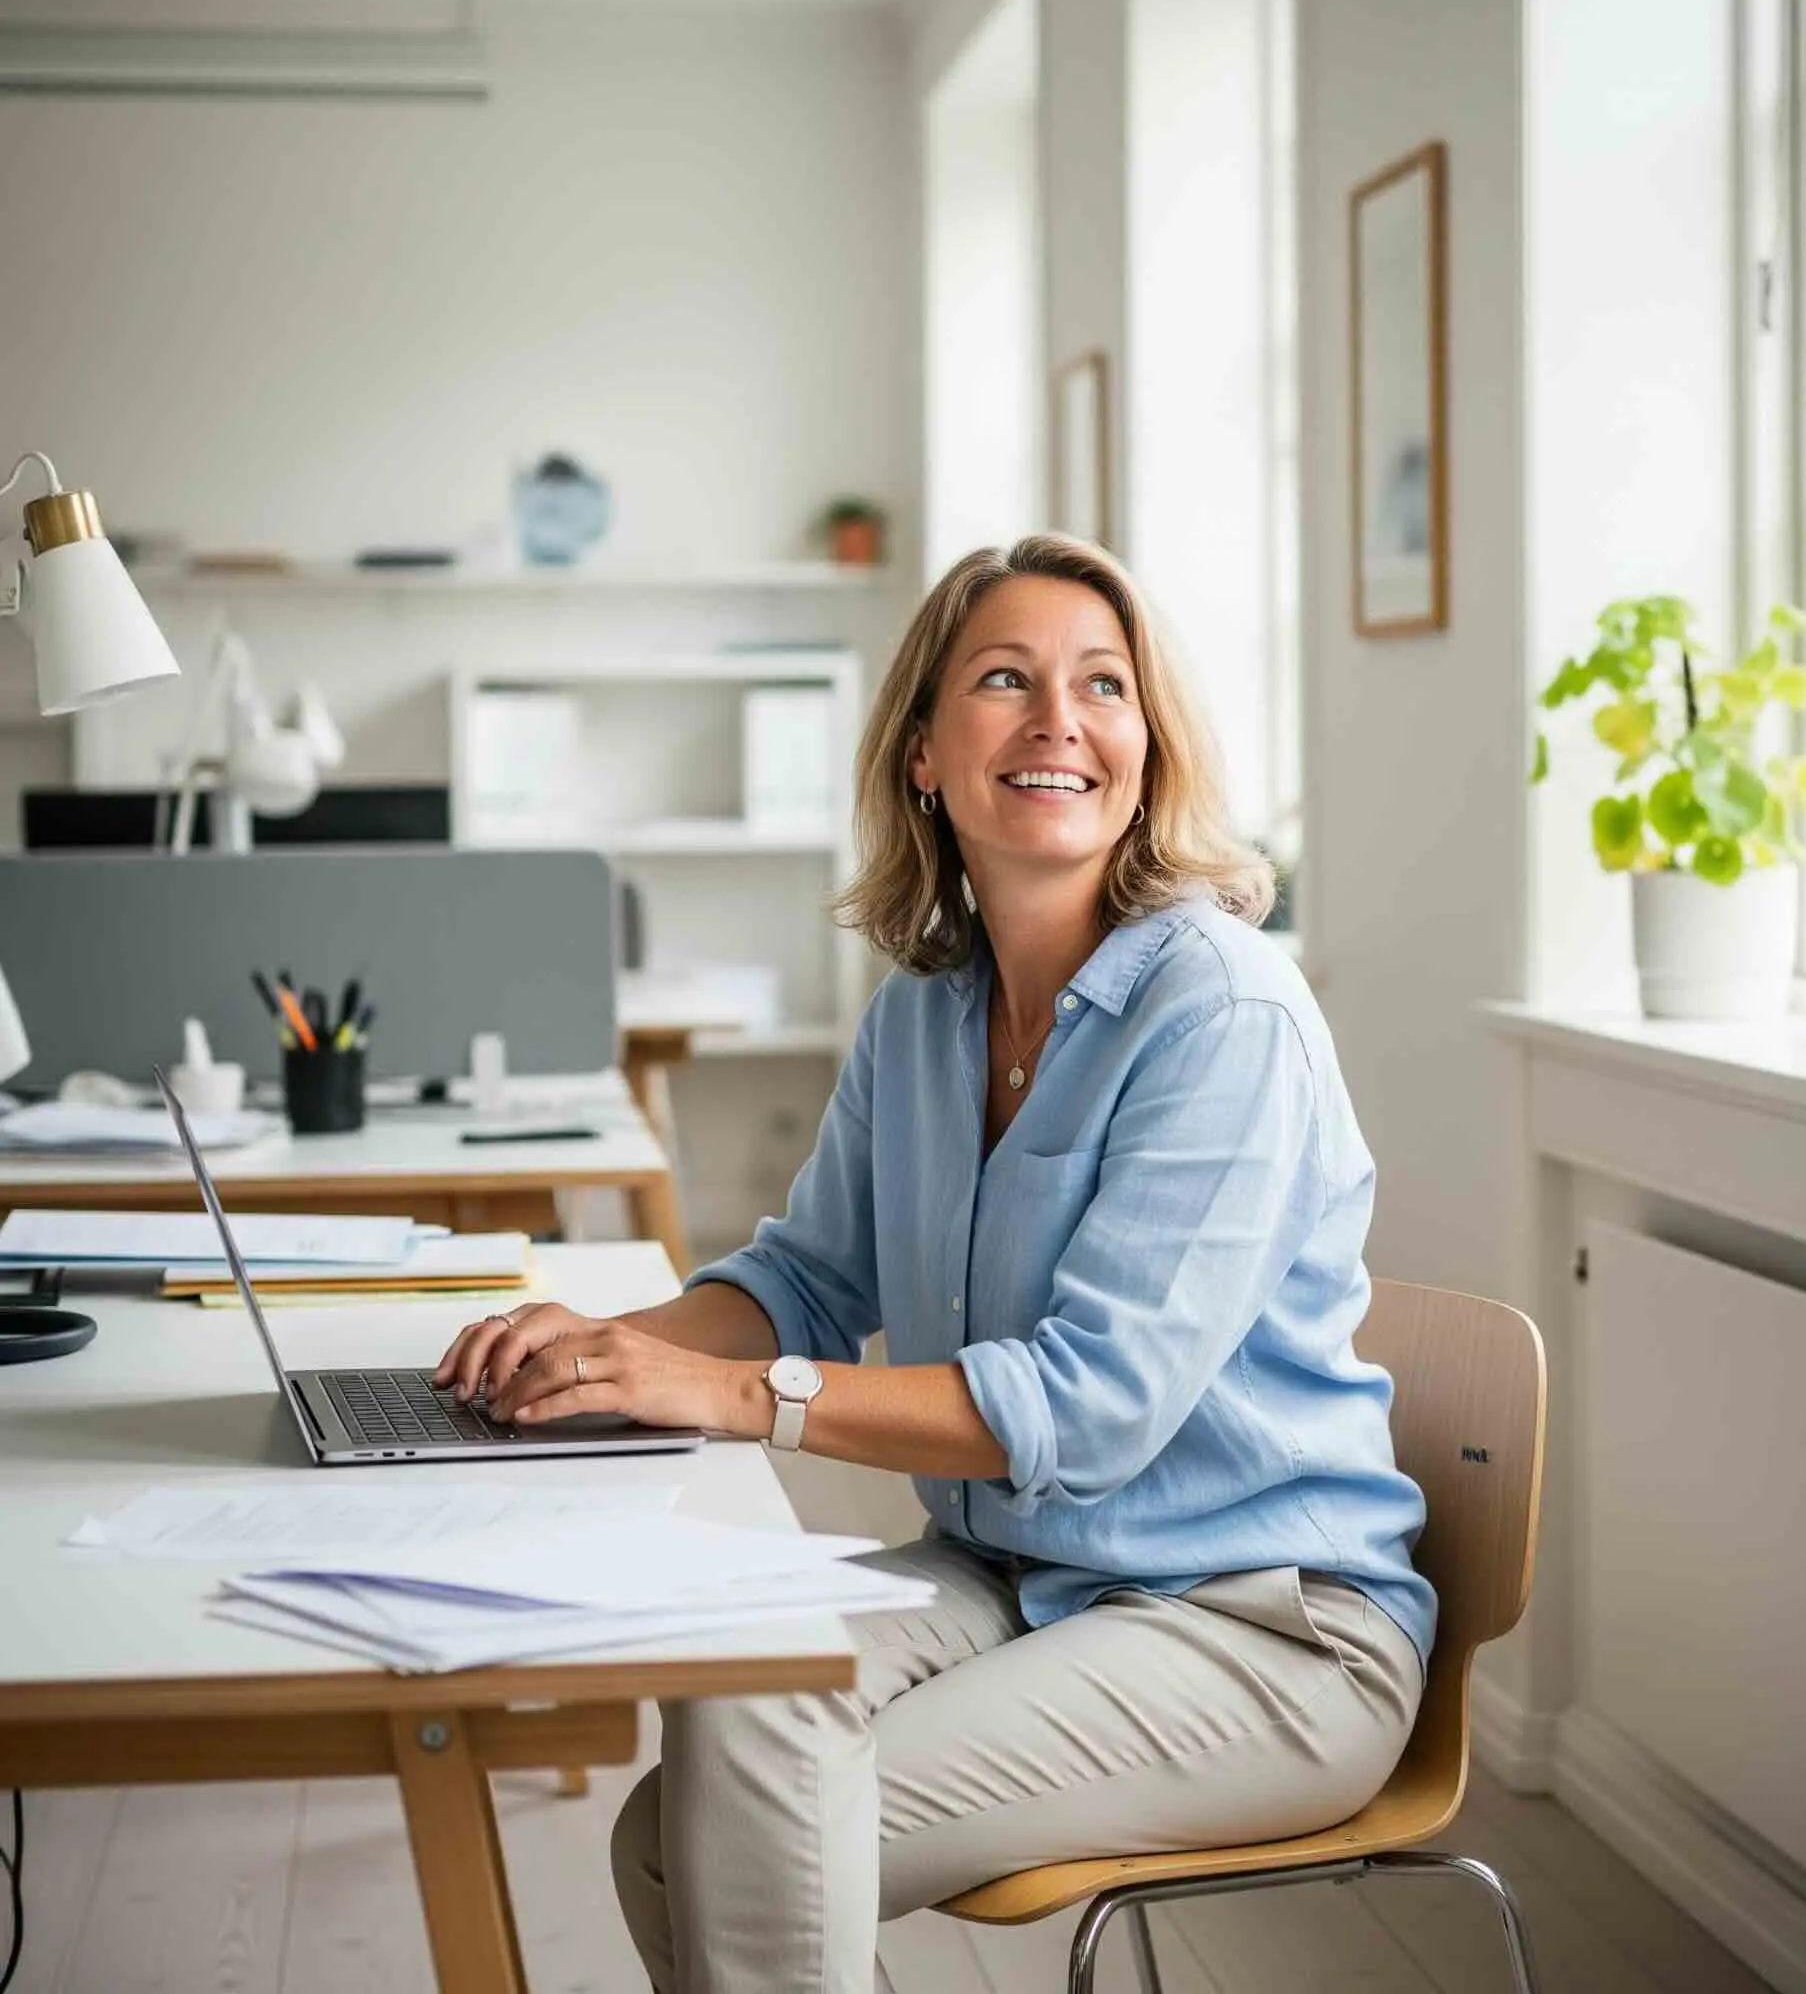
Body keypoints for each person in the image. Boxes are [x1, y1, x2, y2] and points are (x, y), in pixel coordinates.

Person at [434, 534, 1434, 1994]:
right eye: (1005, 681)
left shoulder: (1226, 1014)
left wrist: (738, 1399)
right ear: (922, 752)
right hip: (1017, 1570)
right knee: (731, 1728)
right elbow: (808, 1280)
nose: (1057, 722)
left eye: (1104, 686)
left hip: (1263, 1627)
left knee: (737, 1839)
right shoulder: (924, 1016)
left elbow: (1088, 1408)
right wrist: (597, 1343)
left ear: (1147, 750)